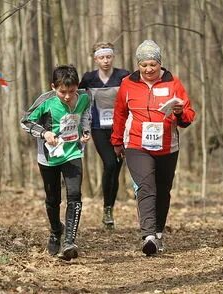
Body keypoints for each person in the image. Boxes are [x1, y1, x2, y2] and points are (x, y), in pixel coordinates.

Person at [111, 40, 195, 256]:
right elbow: (120, 113)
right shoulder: (127, 84)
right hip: (137, 144)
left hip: (168, 146)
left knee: (163, 190)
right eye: (144, 65)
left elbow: (188, 117)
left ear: (160, 64)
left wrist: (178, 112)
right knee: (146, 186)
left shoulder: (173, 83)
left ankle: (158, 233)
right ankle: (147, 236)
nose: (148, 69)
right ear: (138, 65)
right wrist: (117, 141)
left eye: (152, 65)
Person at [20, 65, 91, 261]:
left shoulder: (85, 96)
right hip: (49, 157)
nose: (68, 96)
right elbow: (25, 121)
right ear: (54, 87)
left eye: (71, 91)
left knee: (75, 194)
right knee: (53, 200)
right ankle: (55, 231)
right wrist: (44, 133)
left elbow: (85, 114)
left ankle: (69, 241)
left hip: (73, 152)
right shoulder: (46, 101)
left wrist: (85, 131)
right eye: (62, 92)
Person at [79, 42, 130, 229]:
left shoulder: (123, 76)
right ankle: (106, 206)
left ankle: (109, 209)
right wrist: (80, 126)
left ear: (113, 57)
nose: (105, 61)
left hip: (121, 129)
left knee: (116, 169)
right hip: (99, 127)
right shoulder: (89, 78)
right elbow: (78, 99)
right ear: (96, 59)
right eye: (102, 57)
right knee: (109, 163)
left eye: (108, 57)